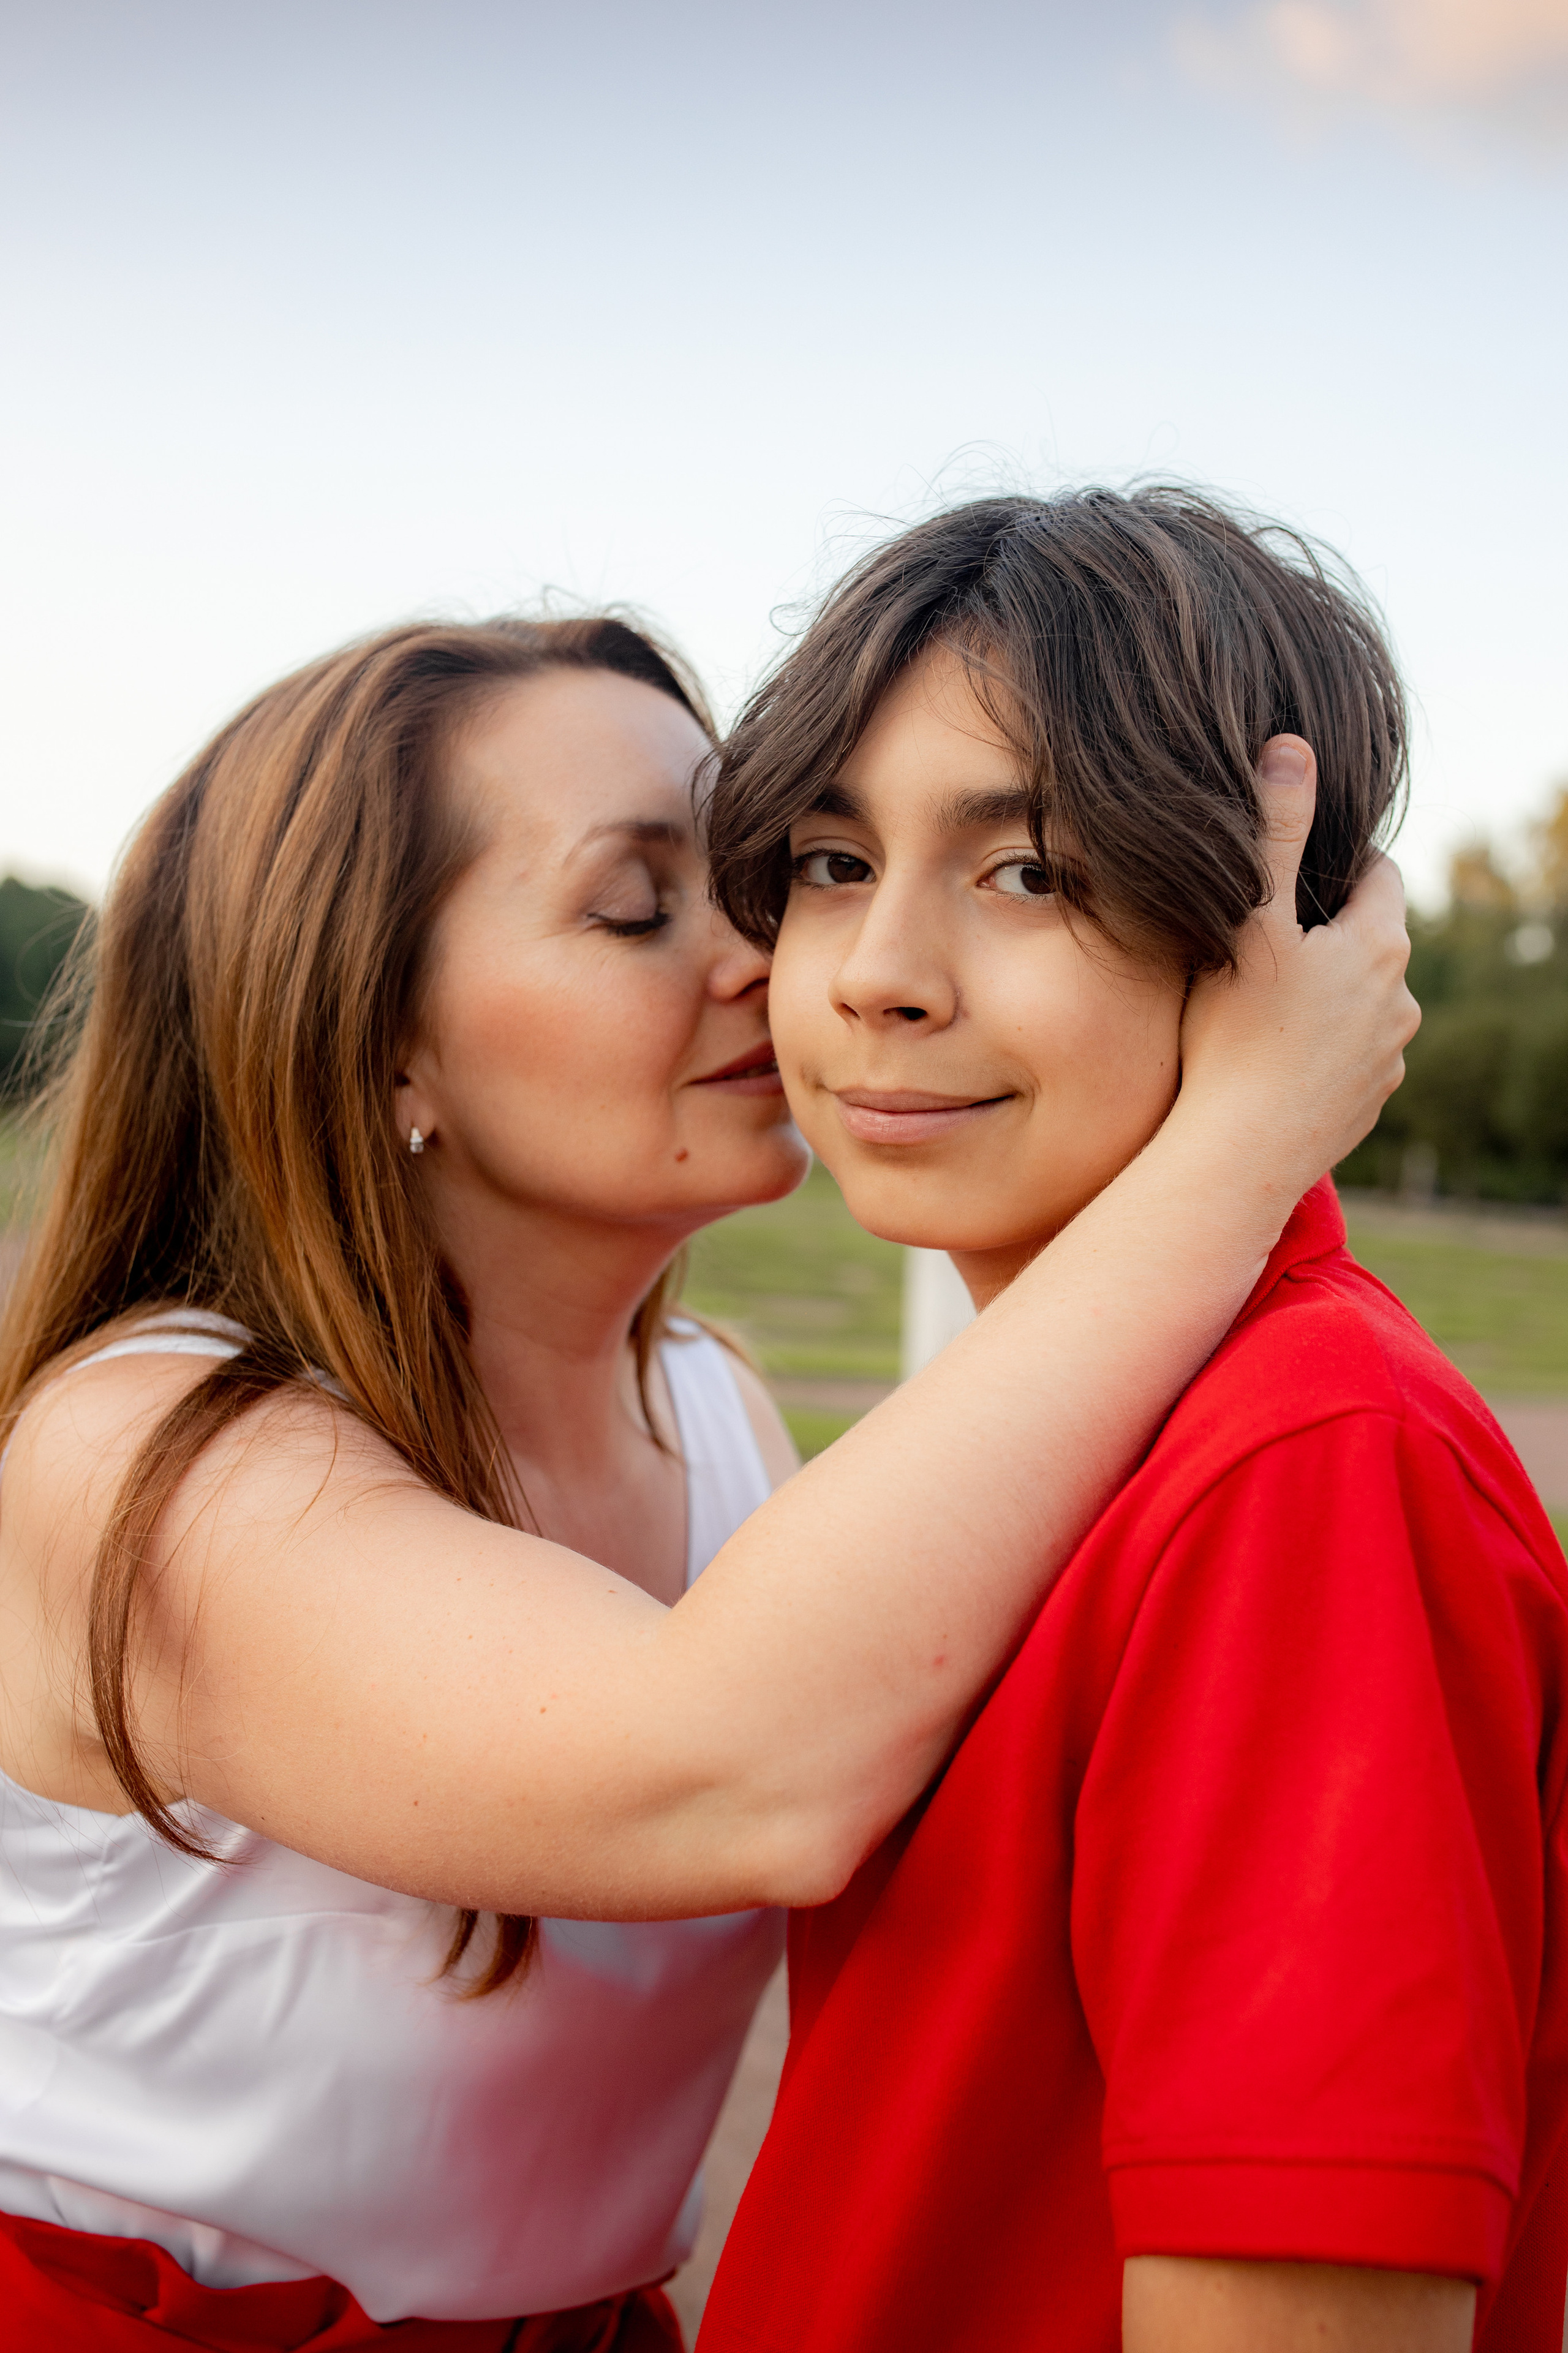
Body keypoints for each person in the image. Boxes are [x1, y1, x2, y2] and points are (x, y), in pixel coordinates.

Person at [0, 605, 1412, 2353]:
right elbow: (734, 1765)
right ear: (376, 1038)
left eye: (763, 871)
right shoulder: (143, 1450)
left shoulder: (719, 1410)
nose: (771, 955)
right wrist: (1254, 1125)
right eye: (633, 904)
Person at [696, 487, 1567, 2353]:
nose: (876, 972)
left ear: (1284, 930)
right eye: (834, 864)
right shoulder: (1047, 1438)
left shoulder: (1307, 1461)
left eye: (1028, 872)